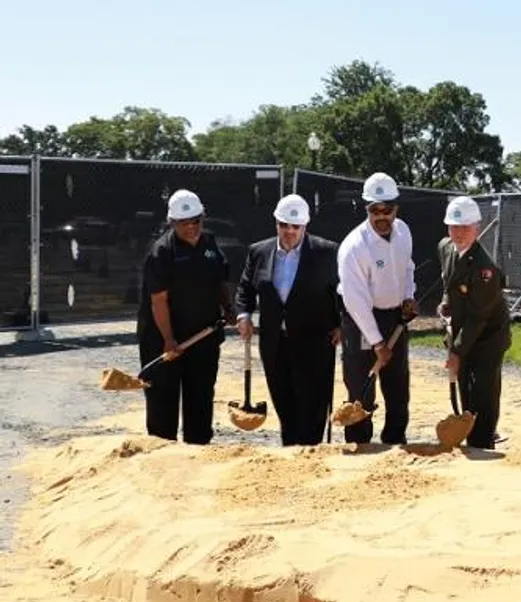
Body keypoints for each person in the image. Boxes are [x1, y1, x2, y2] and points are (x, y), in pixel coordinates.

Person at [234, 194, 341, 446]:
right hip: (274, 344)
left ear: (305, 226)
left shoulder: (327, 252)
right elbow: (245, 288)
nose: (289, 231)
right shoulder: (259, 252)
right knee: (284, 402)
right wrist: (243, 315)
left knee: (312, 405)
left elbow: (344, 291)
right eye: (284, 225)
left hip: (314, 342)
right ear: (276, 224)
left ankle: (310, 453)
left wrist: (342, 324)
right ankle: (290, 453)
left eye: (296, 226)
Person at [136, 189, 235, 444]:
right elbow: (158, 301)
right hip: (164, 339)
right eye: (185, 223)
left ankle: (199, 446)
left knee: (200, 394)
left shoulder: (210, 242)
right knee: (163, 398)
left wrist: (228, 307)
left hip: (204, 334)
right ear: (172, 223)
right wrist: (168, 339)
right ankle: (161, 448)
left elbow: (220, 280)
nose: (192, 227)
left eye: (196, 221)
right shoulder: (161, 252)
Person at [336, 172, 419, 444]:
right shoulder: (354, 247)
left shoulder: (405, 230)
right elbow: (355, 301)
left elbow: (408, 267)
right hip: (362, 320)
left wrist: (408, 296)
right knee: (362, 387)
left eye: (388, 209)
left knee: (398, 385)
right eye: (375, 210)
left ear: (396, 208)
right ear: (366, 209)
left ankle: (395, 440)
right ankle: (359, 442)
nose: (382, 216)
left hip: (395, 316)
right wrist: (378, 343)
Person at [438, 195, 512, 449]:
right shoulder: (445, 247)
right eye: (454, 226)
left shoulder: (485, 269)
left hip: (488, 336)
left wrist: (456, 351)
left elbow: (478, 317)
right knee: (463, 385)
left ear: (477, 228)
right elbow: (449, 282)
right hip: (464, 328)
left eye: (465, 227)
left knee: (483, 391)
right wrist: (446, 301)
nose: (459, 233)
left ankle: (482, 442)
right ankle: (467, 427)